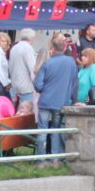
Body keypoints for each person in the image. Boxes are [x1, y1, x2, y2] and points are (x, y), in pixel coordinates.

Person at [33, 35, 78, 164]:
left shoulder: (47, 63)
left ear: (52, 49)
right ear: (64, 48)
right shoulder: (71, 62)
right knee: (56, 130)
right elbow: (74, 82)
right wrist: (70, 97)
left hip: (46, 101)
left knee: (42, 130)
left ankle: (41, 160)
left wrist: (45, 90)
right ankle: (55, 159)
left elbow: (37, 85)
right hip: (61, 102)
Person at [9, 29, 38, 108]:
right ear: (31, 38)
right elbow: (33, 68)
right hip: (26, 86)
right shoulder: (28, 48)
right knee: (26, 110)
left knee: (19, 109)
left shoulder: (14, 48)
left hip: (15, 83)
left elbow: (10, 67)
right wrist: (36, 84)